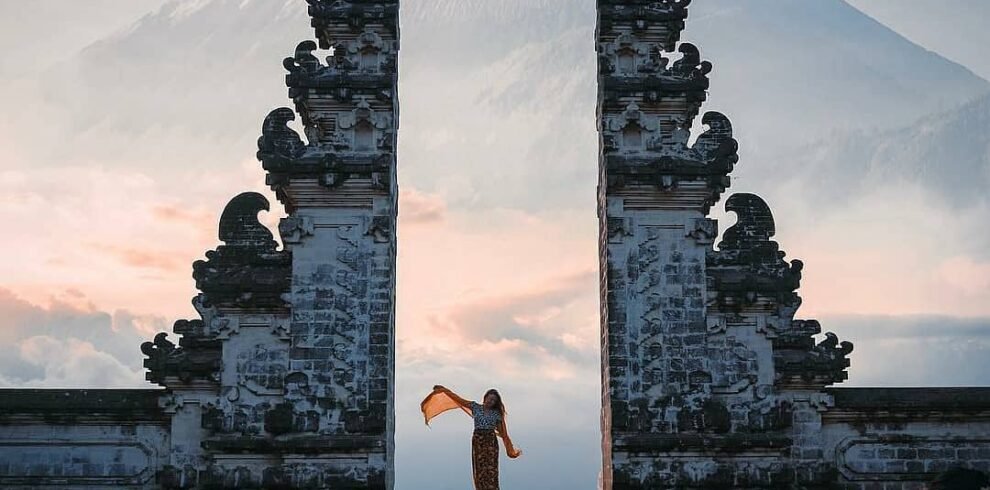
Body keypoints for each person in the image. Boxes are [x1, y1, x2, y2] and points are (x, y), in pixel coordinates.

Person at [421, 385, 522, 490]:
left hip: (490, 442)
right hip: (478, 440)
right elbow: (458, 399)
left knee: (491, 468)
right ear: (485, 397)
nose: (491, 401)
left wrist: (510, 450)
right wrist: (444, 390)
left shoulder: (496, 414)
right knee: (480, 468)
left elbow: (504, 434)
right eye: (490, 398)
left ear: (496, 403)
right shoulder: (475, 407)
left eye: (493, 400)